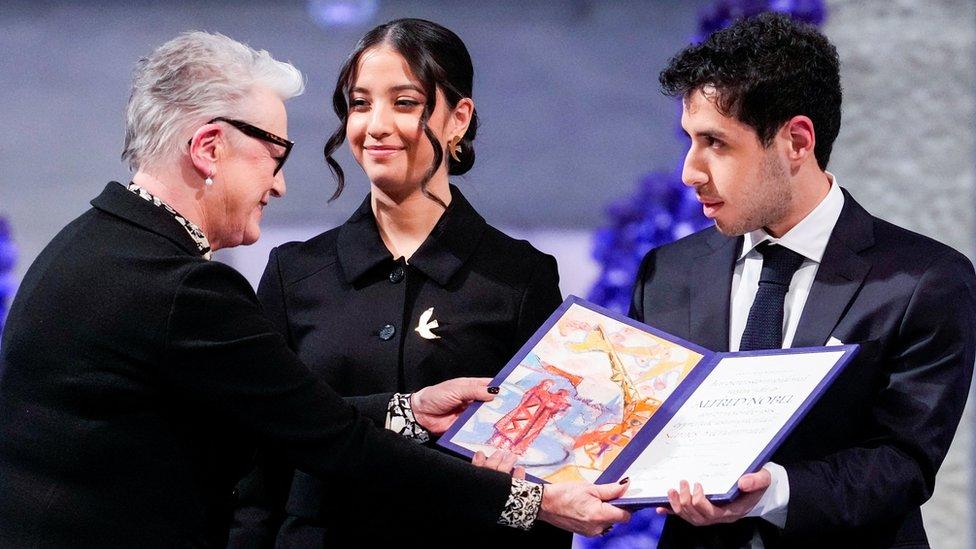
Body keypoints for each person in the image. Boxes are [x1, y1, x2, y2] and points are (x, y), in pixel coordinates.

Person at [0, 31, 631, 548]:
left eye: (405, 102)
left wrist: (408, 410)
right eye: (275, 156)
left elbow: (283, 416)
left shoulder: (97, 242)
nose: (277, 186)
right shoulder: (179, 285)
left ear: (458, 117)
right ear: (209, 148)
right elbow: (313, 439)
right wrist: (531, 502)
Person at [629, 13, 976, 548]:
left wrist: (775, 491)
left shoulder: (925, 279)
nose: (690, 171)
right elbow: (634, 425)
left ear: (796, 141)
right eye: (689, 141)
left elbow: (904, 462)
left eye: (715, 143)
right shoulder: (667, 272)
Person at [228, 18, 572, 547]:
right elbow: (256, 469)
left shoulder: (519, 277)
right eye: (360, 104)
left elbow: (546, 479)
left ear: (458, 118)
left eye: (405, 103)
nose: (376, 126)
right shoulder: (295, 273)